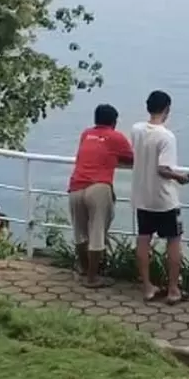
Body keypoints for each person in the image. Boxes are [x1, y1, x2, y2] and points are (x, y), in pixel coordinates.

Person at [131, 90, 189, 304]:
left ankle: (147, 287)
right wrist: (181, 177)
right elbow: (163, 169)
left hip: (142, 197)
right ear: (167, 109)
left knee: (143, 239)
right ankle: (174, 289)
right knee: (174, 242)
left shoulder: (137, 130)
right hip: (165, 200)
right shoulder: (166, 136)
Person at [68, 104, 134, 288]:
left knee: (80, 233)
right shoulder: (116, 137)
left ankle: (83, 269)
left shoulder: (86, 134)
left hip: (75, 186)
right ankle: (92, 278)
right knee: (97, 233)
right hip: (98, 187)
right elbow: (132, 158)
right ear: (114, 122)